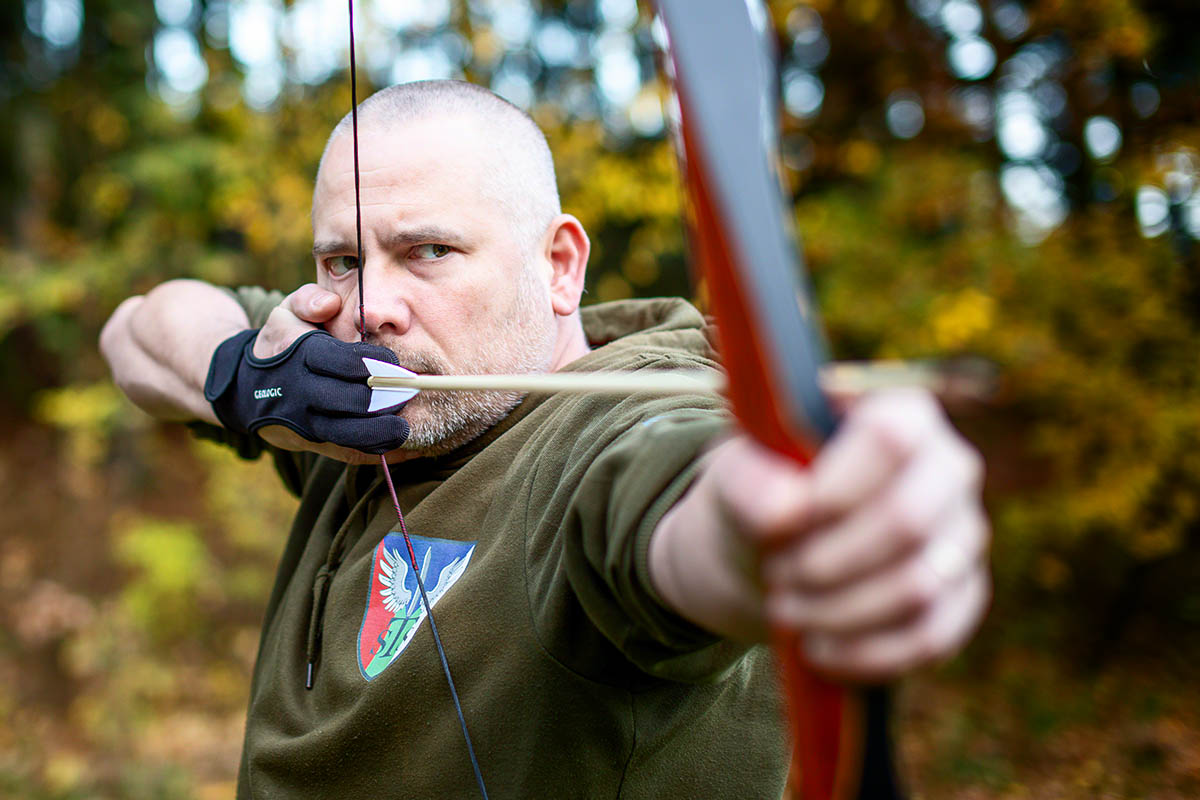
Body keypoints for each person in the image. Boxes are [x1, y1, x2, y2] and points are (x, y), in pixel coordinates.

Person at [100, 80, 989, 799]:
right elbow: (139, 327)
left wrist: (791, 533)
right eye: (344, 259)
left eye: (430, 252)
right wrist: (241, 374)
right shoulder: (355, 408)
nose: (370, 306)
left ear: (559, 266)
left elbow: (673, 508)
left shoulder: (609, 429)